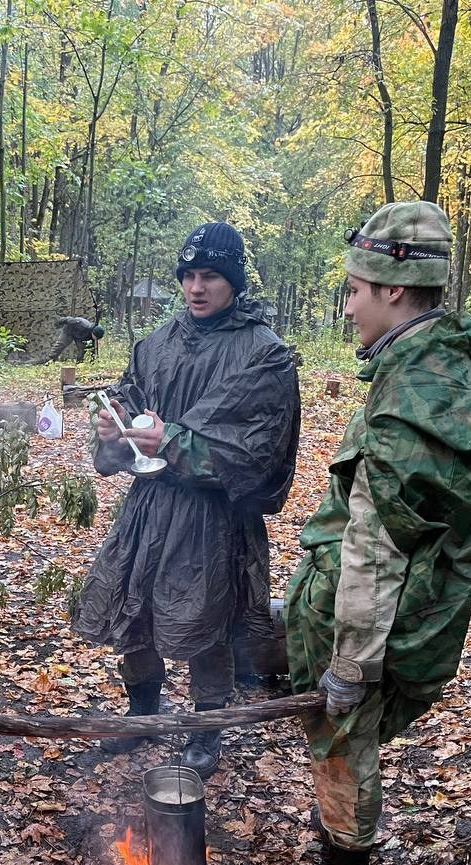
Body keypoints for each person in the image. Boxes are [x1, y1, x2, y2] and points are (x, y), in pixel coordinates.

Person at [274, 201, 471, 865]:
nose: (348, 308)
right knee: (345, 732)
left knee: (346, 729)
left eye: (355, 291)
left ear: (394, 291)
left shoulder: (409, 399)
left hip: (387, 611)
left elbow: (376, 546)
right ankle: (341, 840)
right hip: (417, 601)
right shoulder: (447, 364)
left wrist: (349, 663)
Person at [73, 222, 301, 777]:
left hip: (214, 517)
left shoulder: (263, 355)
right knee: (134, 609)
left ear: (234, 282)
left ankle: (205, 732)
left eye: (211, 277)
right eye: (189, 276)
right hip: (149, 508)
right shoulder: (158, 344)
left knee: (207, 620)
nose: (197, 288)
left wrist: (174, 442)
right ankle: (143, 714)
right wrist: (113, 428)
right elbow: (131, 402)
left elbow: (259, 454)